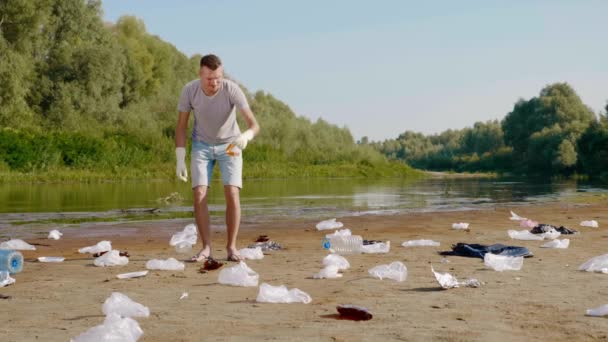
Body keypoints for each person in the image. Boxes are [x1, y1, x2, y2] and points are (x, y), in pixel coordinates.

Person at [175, 54, 260, 262]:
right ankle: (206, 248)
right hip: (201, 146)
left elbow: (254, 125)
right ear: (200, 75)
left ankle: (231, 248)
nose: (214, 83)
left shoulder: (231, 89)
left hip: (230, 145)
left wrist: (246, 136)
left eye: (218, 78)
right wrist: (179, 158)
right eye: (209, 78)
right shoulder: (190, 90)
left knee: (232, 192)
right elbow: (181, 127)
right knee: (199, 193)